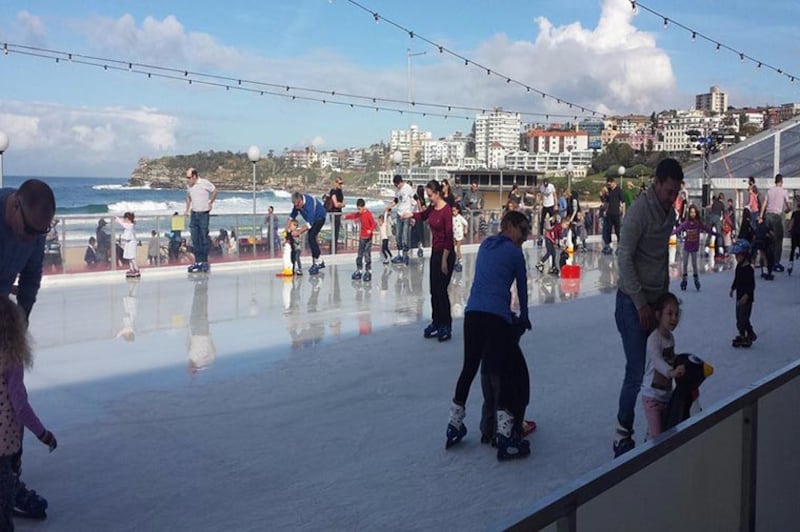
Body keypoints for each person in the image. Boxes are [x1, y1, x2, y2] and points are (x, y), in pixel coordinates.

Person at [445, 211, 532, 460]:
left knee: (469, 368)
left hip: (473, 315)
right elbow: (522, 290)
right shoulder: (515, 253)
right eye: (523, 230)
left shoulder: (486, 245)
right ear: (510, 226)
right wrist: (524, 316)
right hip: (496, 319)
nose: (525, 236)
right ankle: (505, 435)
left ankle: (454, 423)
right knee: (502, 373)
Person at [613, 158, 683, 458]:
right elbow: (624, 257)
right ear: (656, 183)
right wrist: (640, 303)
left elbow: (659, 258)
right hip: (632, 303)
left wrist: (665, 301)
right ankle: (622, 433)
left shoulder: (669, 213)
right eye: (669, 191)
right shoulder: (640, 212)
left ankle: (658, 421)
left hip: (655, 302)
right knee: (636, 369)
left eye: (676, 192)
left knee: (661, 361)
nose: (672, 197)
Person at [0, 178, 56, 519]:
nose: (30, 240)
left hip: (4, 317)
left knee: (9, 404)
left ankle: (9, 482)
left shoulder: (34, 231)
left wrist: (20, 322)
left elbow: (32, 278)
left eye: (39, 233)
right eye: (27, 231)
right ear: (15, 204)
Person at [0, 298, 58, 530]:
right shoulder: (10, 360)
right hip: (3, 441)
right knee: (4, 487)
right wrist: (43, 433)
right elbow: (20, 405)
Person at [403, 180, 455, 341]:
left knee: (441, 291)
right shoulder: (432, 208)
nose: (429, 198)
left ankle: (446, 324)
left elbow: (448, 237)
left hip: (446, 254)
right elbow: (423, 215)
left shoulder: (446, 210)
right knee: (434, 291)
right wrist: (410, 214)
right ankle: (437, 321)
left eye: (430, 195)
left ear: (437, 193)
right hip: (435, 253)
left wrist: (445, 260)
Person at [640, 292, 685, 440]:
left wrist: (682, 361)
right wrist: (671, 372)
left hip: (665, 395)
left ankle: (649, 439)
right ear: (659, 315)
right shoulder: (654, 339)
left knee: (666, 430)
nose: (674, 318)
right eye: (670, 313)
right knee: (657, 438)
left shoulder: (670, 337)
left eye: (677, 314)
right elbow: (658, 361)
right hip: (652, 396)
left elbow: (670, 357)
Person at [184, 168, 218, 273]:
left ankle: (204, 261)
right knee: (195, 238)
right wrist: (187, 209)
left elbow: (215, 191)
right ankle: (198, 261)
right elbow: (188, 196)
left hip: (203, 214)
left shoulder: (204, 183)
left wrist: (210, 202)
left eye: (189, 178)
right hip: (194, 214)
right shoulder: (189, 186)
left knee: (203, 238)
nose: (188, 180)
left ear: (194, 176)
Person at [673, 205, 711, 292]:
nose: (692, 214)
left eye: (694, 212)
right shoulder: (686, 223)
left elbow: (706, 229)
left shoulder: (698, 223)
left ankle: (696, 280)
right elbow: (678, 229)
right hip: (687, 246)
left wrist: (716, 233)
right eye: (691, 212)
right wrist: (670, 233)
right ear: (689, 213)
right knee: (685, 264)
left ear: (696, 213)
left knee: (694, 264)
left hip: (694, 247)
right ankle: (684, 280)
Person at [758, 174, 791, 272]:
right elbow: (788, 206)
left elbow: (764, 203)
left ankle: (765, 260)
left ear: (775, 181)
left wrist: (760, 216)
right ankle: (776, 262)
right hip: (776, 217)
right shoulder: (784, 191)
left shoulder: (770, 191)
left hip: (767, 216)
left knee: (768, 238)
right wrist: (786, 211)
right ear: (781, 182)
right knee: (778, 239)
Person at [288, 191, 327, 274]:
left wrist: (298, 231)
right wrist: (286, 229)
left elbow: (309, 224)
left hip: (319, 218)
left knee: (311, 236)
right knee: (310, 239)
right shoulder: (297, 204)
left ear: (301, 200)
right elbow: (291, 217)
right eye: (295, 206)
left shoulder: (310, 203)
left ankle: (318, 261)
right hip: (312, 220)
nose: (297, 207)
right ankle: (317, 260)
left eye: (298, 205)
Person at [729, 239, 757, 348]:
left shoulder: (749, 269)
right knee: (738, 318)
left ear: (745, 255)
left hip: (747, 299)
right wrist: (732, 288)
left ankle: (749, 334)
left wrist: (747, 295)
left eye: (738, 255)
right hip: (739, 297)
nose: (736, 258)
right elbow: (737, 279)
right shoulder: (739, 267)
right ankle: (742, 334)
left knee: (744, 319)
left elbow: (751, 285)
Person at [384, 175, 415, 265]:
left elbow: (415, 199)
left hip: (406, 214)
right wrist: (388, 206)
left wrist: (413, 213)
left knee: (405, 236)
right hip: (399, 213)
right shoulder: (397, 191)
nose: (397, 187)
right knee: (398, 235)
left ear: (400, 182)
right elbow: (396, 200)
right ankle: (399, 254)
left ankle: (405, 255)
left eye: (397, 185)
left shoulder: (408, 188)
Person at [343, 199, 376, 282]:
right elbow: (354, 215)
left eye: (360, 209)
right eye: (358, 209)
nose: (359, 210)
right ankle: (359, 270)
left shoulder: (368, 214)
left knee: (367, 254)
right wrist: (346, 216)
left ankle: (368, 271)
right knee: (359, 254)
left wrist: (370, 230)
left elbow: (373, 224)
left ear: (363, 207)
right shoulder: (360, 214)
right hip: (362, 237)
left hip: (368, 237)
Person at [602, 176, 624, 255]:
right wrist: (606, 211)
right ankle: (609, 246)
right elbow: (606, 201)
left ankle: (619, 247)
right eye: (608, 184)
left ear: (613, 182)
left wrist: (623, 213)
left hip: (617, 213)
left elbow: (623, 202)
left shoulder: (619, 190)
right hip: (609, 214)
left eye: (610, 183)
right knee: (608, 230)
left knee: (618, 231)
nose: (609, 185)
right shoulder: (609, 190)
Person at [115, 212, 140, 278]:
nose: (124, 220)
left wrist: (118, 219)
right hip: (128, 242)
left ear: (128, 219)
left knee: (132, 257)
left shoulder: (130, 225)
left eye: (125, 218)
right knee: (129, 257)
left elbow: (123, 224)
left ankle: (136, 269)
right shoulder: (130, 225)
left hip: (131, 243)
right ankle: (131, 269)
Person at [705, 192, 726, 257]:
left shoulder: (714, 203)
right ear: (722, 198)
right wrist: (723, 222)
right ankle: (720, 249)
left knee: (709, 234)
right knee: (719, 233)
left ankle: (706, 250)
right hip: (717, 218)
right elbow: (724, 214)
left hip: (711, 217)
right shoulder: (722, 204)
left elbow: (709, 208)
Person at [327, 177, 345, 249]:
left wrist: (340, 204)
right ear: (336, 183)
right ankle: (333, 248)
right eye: (339, 183)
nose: (341, 185)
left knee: (337, 231)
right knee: (334, 231)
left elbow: (344, 204)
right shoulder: (333, 191)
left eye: (341, 183)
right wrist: (340, 204)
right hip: (334, 213)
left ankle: (334, 247)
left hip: (338, 213)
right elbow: (335, 204)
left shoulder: (340, 192)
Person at [537, 178, 556, 246]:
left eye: (546, 184)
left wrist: (555, 205)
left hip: (551, 204)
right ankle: (541, 236)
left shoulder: (551, 186)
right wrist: (540, 205)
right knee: (542, 221)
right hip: (545, 205)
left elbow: (554, 195)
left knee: (552, 220)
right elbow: (541, 196)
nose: (545, 185)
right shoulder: (542, 187)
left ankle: (554, 233)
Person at [452, 204, 468, 273]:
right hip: (454, 235)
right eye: (452, 211)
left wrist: (465, 230)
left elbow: (466, 223)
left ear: (457, 210)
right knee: (453, 249)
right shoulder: (451, 217)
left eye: (454, 211)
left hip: (459, 235)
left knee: (458, 249)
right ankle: (455, 261)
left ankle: (460, 262)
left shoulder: (460, 217)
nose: (453, 212)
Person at [788, 198, 800, 276]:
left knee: (792, 249)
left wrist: (789, 230)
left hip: (795, 234)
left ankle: (790, 265)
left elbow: (792, 223)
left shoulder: (795, 213)